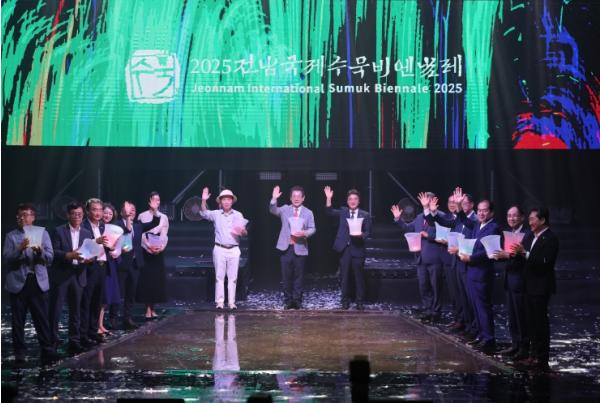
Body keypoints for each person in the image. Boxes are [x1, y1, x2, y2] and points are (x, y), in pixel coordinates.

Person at [3, 203, 57, 365]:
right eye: (19, 216)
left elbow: (50, 257)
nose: (22, 218)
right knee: (18, 321)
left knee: (41, 318)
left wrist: (40, 252)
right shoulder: (11, 236)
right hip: (18, 283)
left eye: (25, 215)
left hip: (37, 281)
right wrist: (19, 249)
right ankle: (19, 352)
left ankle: (47, 349)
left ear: (33, 217)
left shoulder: (42, 233)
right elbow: (6, 258)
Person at [453, 187, 501, 354]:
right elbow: (464, 221)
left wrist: (471, 258)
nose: (481, 213)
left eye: (484, 210)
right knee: (475, 306)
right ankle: (481, 335)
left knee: (483, 307)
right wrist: (459, 207)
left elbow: (488, 252)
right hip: (472, 272)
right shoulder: (478, 226)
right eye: (479, 210)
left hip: (482, 273)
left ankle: (489, 339)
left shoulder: (493, 227)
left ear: (491, 212)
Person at [512, 207, 559, 371]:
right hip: (528, 286)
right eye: (530, 219)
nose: (530, 222)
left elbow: (544, 262)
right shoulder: (532, 237)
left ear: (543, 220)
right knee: (531, 323)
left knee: (540, 324)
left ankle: (541, 358)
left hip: (540, 287)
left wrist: (524, 253)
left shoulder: (550, 238)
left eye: (533, 219)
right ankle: (532, 355)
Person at [391, 192, 445, 322]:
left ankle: (436, 312)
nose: (425, 202)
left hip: (434, 258)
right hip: (421, 258)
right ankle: (428, 309)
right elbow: (408, 228)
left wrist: (428, 236)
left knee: (436, 287)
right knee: (424, 286)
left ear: (434, 201)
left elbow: (443, 236)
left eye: (428, 200)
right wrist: (398, 219)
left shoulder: (441, 216)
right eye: (423, 200)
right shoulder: (420, 217)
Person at [430, 192, 478, 339]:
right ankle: (466, 325)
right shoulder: (459, 219)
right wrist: (432, 212)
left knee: (469, 298)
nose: (462, 206)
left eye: (464, 203)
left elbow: (473, 240)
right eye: (461, 204)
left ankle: (472, 327)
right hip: (457, 262)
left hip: (468, 263)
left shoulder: (475, 220)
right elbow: (444, 223)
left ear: (472, 205)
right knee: (461, 296)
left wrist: (460, 249)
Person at [49, 202, 94, 354]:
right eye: (74, 214)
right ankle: (52, 341)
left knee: (76, 310)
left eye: (79, 214)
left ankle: (74, 340)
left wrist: (89, 259)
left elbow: (91, 252)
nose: (77, 217)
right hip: (62, 274)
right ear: (68, 215)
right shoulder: (58, 231)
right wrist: (69, 255)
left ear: (83, 215)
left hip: (79, 274)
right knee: (56, 310)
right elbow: (53, 252)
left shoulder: (87, 233)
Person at [324, 186, 372, 310]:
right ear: (347, 201)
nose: (353, 201)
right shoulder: (343, 212)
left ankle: (360, 301)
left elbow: (368, 232)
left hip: (358, 248)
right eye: (350, 199)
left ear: (359, 201)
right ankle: (345, 300)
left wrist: (361, 235)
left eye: (355, 199)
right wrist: (328, 198)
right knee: (344, 276)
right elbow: (329, 212)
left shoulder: (365, 215)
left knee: (358, 276)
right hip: (344, 249)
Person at [200, 188, 248, 310]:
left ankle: (231, 302)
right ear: (220, 202)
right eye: (224, 199)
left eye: (228, 199)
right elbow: (204, 213)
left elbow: (244, 233)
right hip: (219, 248)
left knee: (233, 278)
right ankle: (220, 302)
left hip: (234, 249)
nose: (226, 202)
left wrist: (243, 231)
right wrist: (204, 200)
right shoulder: (216, 214)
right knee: (219, 277)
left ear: (232, 201)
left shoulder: (238, 215)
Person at [492, 206, 529, 360]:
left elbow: (523, 256)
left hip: (520, 279)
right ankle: (515, 344)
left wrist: (507, 255)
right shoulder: (508, 233)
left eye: (514, 216)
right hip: (510, 279)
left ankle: (524, 348)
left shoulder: (527, 234)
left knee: (521, 316)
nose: (511, 218)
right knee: (512, 315)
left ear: (522, 217)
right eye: (509, 216)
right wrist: (499, 255)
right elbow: (508, 255)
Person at [269, 185, 316, 309]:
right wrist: (274, 199)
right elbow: (273, 210)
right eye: (294, 196)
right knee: (286, 276)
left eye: (299, 196)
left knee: (299, 276)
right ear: (290, 198)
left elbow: (313, 228)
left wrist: (305, 233)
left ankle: (297, 300)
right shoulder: (285, 209)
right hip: (286, 247)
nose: (296, 198)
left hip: (300, 247)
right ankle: (288, 300)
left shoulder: (308, 212)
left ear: (303, 198)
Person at [116, 201, 160, 329]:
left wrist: (154, 210)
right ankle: (113, 318)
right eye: (128, 209)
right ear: (122, 212)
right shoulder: (117, 225)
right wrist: (127, 218)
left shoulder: (138, 226)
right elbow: (125, 231)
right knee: (117, 292)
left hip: (135, 263)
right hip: (121, 263)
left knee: (131, 293)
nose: (131, 212)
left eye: (133, 210)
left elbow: (154, 223)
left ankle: (127, 318)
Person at [81, 198, 110, 346]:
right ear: (87, 211)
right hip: (90, 266)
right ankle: (84, 334)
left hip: (102, 266)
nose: (98, 213)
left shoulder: (103, 226)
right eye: (94, 209)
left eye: (100, 209)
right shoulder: (83, 226)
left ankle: (93, 331)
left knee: (97, 301)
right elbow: (82, 247)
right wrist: (95, 242)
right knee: (87, 300)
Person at [137, 191, 169, 319]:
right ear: (149, 201)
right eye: (154, 199)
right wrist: (148, 246)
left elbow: (165, 234)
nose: (157, 202)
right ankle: (147, 308)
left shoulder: (163, 217)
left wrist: (161, 247)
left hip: (158, 250)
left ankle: (153, 308)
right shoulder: (142, 216)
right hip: (146, 250)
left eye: (158, 200)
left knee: (156, 280)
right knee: (147, 279)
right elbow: (140, 234)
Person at [97, 203, 122, 336]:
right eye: (105, 212)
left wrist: (115, 250)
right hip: (99, 263)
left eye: (110, 214)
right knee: (101, 297)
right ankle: (97, 326)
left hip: (110, 264)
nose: (107, 215)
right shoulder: (96, 227)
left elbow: (118, 249)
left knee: (105, 299)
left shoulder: (115, 229)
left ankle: (100, 325)